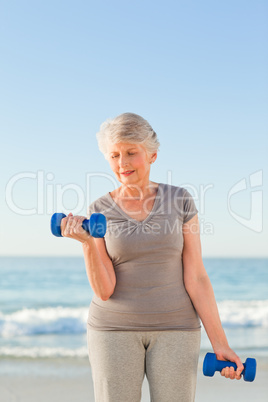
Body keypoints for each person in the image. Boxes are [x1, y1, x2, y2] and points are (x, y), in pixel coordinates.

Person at [61, 113, 244, 402]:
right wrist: (86, 244)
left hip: (177, 329)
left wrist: (220, 343)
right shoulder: (100, 208)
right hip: (113, 330)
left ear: (152, 155)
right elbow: (104, 289)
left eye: (131, 153)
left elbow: (196, 276)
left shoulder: (180, 200)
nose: (122, 163)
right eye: (114, 155)